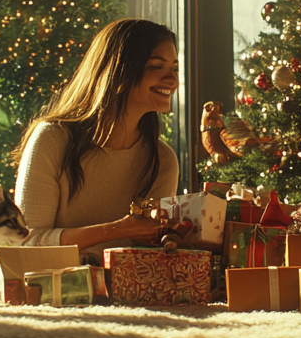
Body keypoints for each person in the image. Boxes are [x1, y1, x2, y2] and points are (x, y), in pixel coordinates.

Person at [13, 18, 180, 252]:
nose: (173, 80)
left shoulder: (162, 160)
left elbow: (150, 254)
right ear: (119, 71)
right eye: (156, 66)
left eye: (174, 69)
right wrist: (117, 230)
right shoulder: (52, 140)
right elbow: (27, 242)